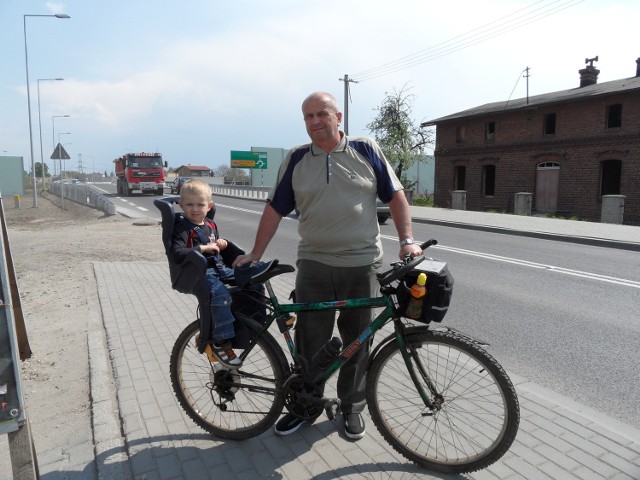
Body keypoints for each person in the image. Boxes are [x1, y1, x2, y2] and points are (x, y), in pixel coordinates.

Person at [233, 91, 422, 440]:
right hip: (315, 264)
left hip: (362, 264)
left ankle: (351, 406)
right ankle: (306, 406)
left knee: (358, 340)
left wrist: (407, 238)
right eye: (308, 116)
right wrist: (256, 252)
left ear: (338, 118)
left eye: (322, 114)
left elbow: (395, 196)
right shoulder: (297, 159)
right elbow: (275, 208)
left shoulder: (365, 150)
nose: (315, 121)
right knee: (311, 340)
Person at [171, 179, 242, 368]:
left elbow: (216, 246)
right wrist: (202, 248)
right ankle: (221, 342)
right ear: (181, 205)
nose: (195, 209)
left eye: (200, 205)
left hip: (220, 267)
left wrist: (222, 244)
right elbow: (177, 253)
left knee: (249, 278)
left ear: (209, 206)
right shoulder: (182, 228)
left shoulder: (210, 225)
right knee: (221, 295)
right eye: (189, 204)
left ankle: (253, 320)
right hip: (199, 272)